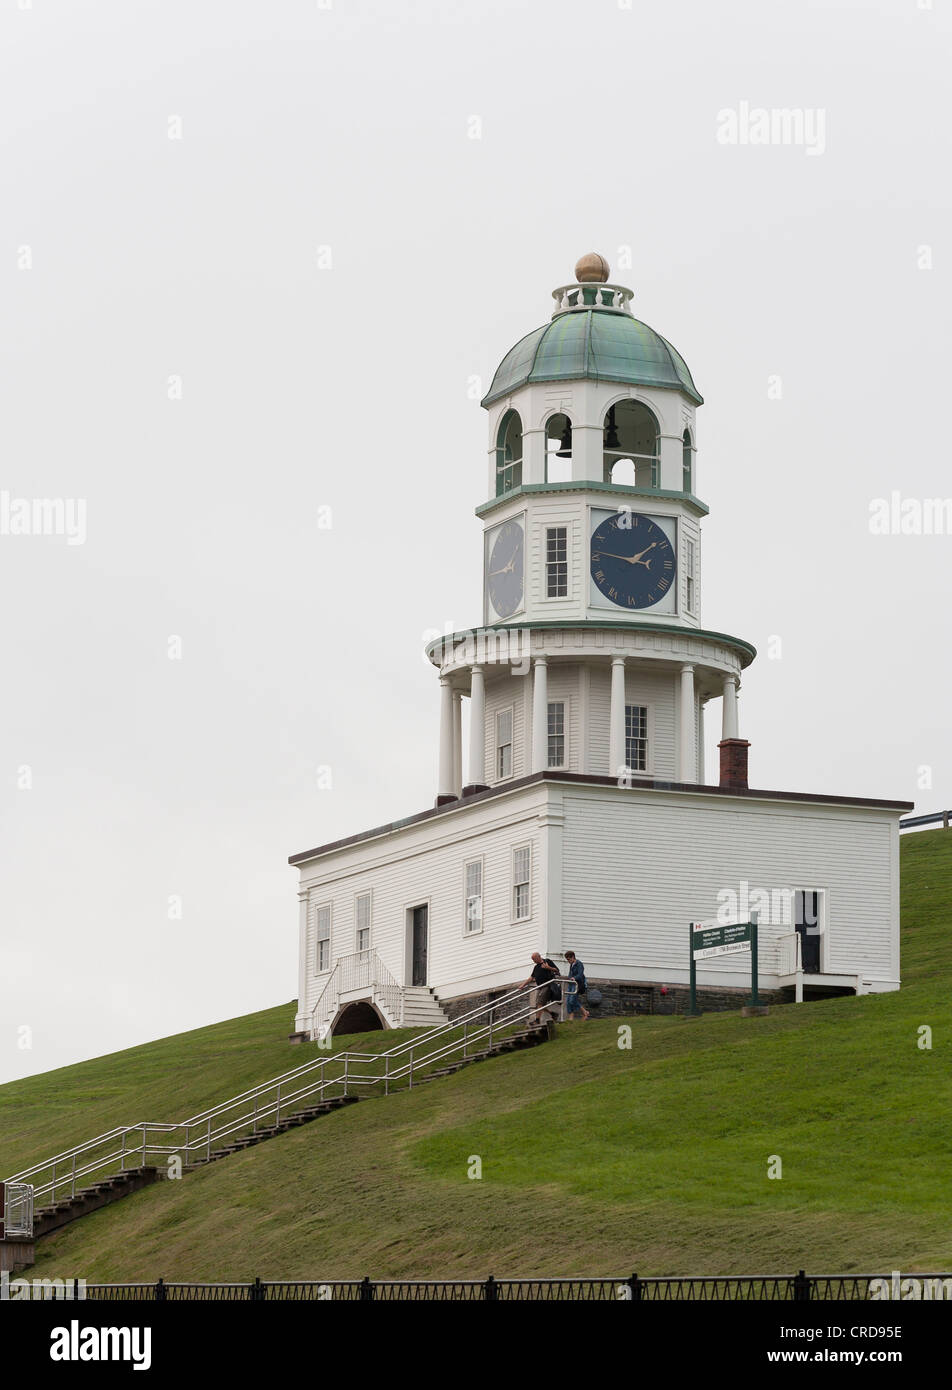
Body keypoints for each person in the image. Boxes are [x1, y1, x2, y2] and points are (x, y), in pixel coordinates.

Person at [519, 951, 559, 1025]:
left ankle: (537, 1020)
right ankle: (552, 1014)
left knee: (540, 1003)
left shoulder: (547, 961)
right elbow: (531, 977)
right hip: (540, 987)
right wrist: (523, 985)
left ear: (538, 957)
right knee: (538, 1004)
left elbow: (557, 970)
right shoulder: (536, 967)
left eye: (534, 959)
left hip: (547, 985)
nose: (533, 961)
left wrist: (548, 967)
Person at [563, 951, 590, 1021]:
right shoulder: (571, 964)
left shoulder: (579, 964)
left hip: (577, 984)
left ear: (572, 957)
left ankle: (585, 1012)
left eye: (569, 959)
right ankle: (571, 1017)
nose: (568, 961)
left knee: (572, 1000)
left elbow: (580, 974)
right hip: (571, 984)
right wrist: (569, 978)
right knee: (568, 1001)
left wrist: (574, 978)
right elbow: (570, 974)